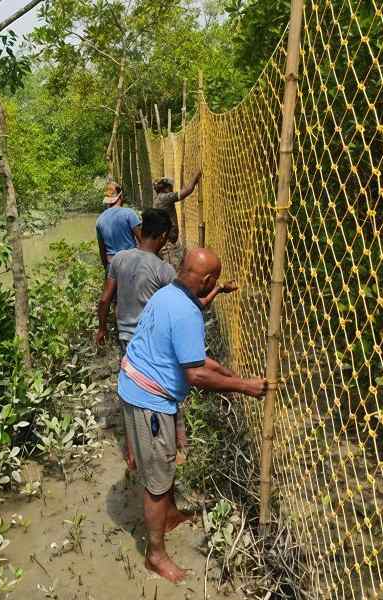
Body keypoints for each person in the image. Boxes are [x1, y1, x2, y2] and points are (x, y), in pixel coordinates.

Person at [118, 247, 267, 583]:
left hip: (139, 383)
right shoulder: (186, 313)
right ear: (210, 280)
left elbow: (196, 359)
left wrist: (231, 376)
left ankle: (169, 515)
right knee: (156, 483)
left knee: (166, 460)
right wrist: (244, 387)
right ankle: (155, 554)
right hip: (148, 399)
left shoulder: (167, 293)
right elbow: (197, 375)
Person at [96, 209, 237, 471]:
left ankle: (133, 454)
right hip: (154, 341)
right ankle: (177, 450)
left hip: (128, 340)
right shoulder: (163, 270)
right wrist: (218, 289)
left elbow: (105, 299)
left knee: (134, 394)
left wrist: (102, 328)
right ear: (161, 236)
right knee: (165, 395)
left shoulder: (120, 260)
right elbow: (194, 303)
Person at [152, 172, 202, 270]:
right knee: (172, 271)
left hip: (168, 242)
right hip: (168, 244)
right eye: (170, 187)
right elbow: (187, 191)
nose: (171, 190)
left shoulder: (158, 198)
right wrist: (196, 176)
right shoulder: (164, 198)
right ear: (166, 188)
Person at [96, 181, 141, 272]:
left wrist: (107, 269)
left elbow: (102, 250)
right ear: (121, 196)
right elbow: (142, 240)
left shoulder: (99, 220)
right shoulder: (129, 213)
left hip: (112, 265)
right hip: (130, 264)